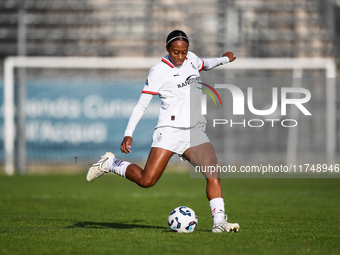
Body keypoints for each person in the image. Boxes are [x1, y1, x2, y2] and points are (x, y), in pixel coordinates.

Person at [86, 30, 239, 233]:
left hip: (195, 131)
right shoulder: (158, 71)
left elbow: (206, 64)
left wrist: (224, 60)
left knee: (213, 175)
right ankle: (111, 163)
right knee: (146, 180)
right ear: (167, 49)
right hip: (169, 131)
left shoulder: (191, 60)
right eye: (176, 52)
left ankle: (219, 223)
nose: (180, 56)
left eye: (184, 52)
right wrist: (128, 132)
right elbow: (141, 105)